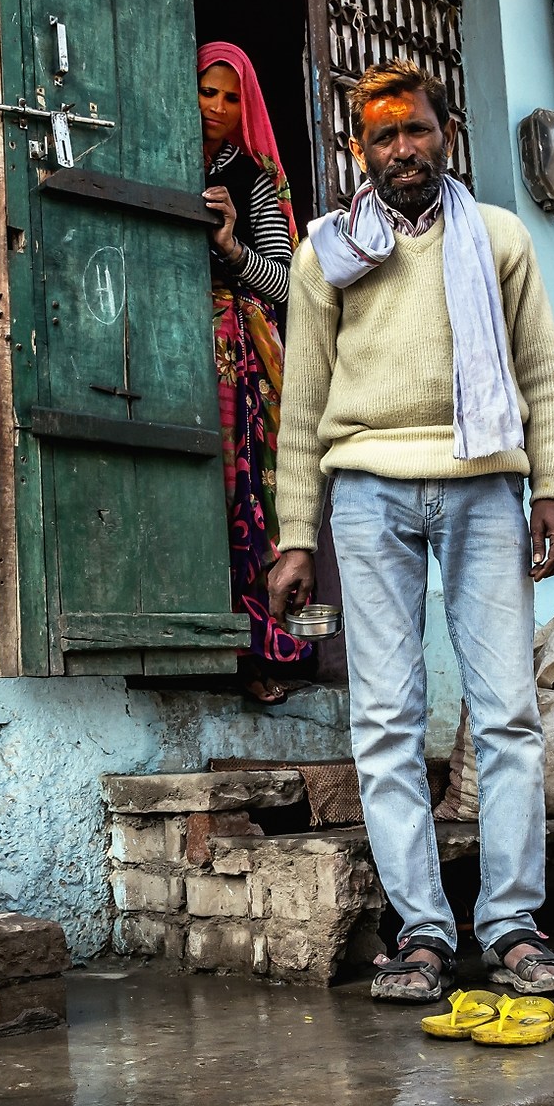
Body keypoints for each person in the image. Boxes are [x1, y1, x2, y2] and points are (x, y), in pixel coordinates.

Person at [269, 59, 554, 1004]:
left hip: (485, 487)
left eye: (416, 129)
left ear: (446, 134)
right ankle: (422, 932)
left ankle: (513, 924)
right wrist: (296, 534)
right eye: (384, 135)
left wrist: (553, 487)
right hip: (367, 494)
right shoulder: (325, 254)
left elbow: (542, 373)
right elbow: (302, 405)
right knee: (385, 718)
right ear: (358, 150)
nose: (402, 148)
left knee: (508, 712)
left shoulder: (499, 238)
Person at [198, 43, 314, 703]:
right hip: (164, 351)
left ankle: (254, 656)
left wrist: (231, 246)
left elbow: (286, 282)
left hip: (239, 363)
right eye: (205, 90)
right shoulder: (151, 155)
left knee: (246, 501)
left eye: (230, 96)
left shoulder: (252, 178)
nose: (216, 106)